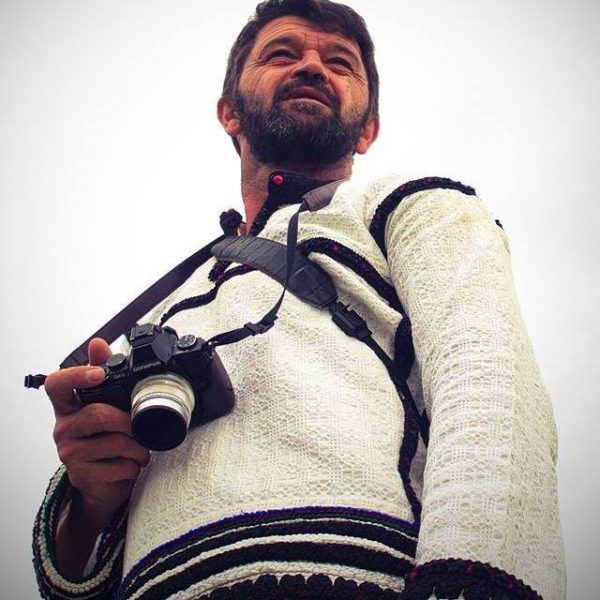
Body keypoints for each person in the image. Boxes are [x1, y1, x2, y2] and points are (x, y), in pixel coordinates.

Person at [32, 1, 566, 599]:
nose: (312, 66)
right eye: (282, 53)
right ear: (229, 112)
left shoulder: (412, 205)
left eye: (339, 62)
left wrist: (473, 583)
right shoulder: (166, 305)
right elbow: (76, 566)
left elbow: (490, 384)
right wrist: (89, 499)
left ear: (368, 129)